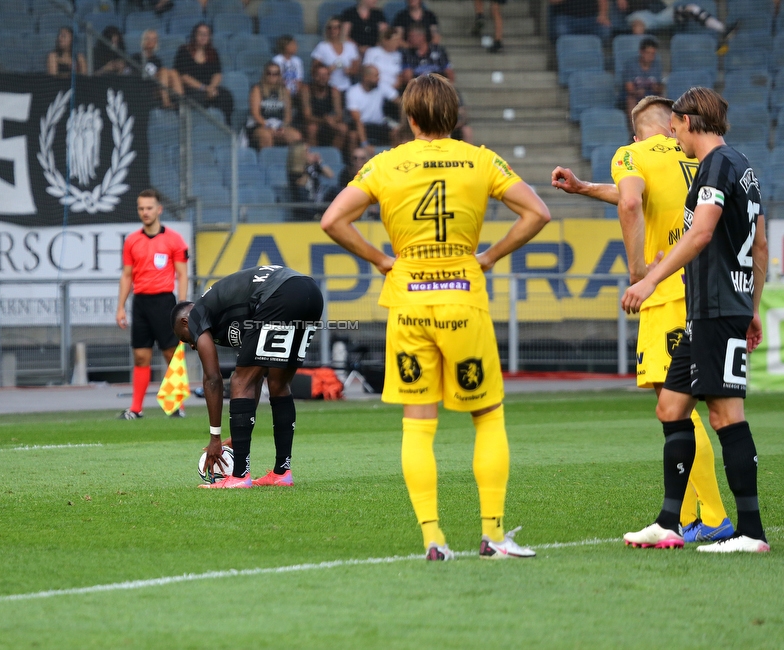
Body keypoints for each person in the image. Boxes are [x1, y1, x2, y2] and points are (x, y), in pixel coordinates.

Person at [321, 73, 551, 560]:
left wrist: (382, 261)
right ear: (455, 115)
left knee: (417, 423)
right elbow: (537, 213)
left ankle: (433, 537)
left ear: (409, 119)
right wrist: (489, 257)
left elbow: (332, 220)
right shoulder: (481, 160)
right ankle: (492, 533)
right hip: (463, 298)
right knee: (487, 416)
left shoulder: (385, 164)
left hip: (408, 302)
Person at [550, 95, 734, 544]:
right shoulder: (700, 155)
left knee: (677, 408)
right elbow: (638, 193)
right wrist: (584, 188)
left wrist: (638, 272)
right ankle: (692, 516)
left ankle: (711, 517)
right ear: (671, 126)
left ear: (637, 135)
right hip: (706, 286)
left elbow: (631, 202)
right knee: (694, 407)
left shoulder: (631, 155)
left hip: (667, 290)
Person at [620, 87, 769, 553]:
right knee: (671, 407)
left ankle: (750, 532)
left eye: (675, 126)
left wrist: (648, 279)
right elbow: (760, 245)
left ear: (689, 122)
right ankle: (668, 522)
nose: (672, 134)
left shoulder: (716, 166)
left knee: (726, 416)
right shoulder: (741, 168)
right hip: (719, 309)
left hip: (714, 308)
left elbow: (702, 233)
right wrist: (754, 307)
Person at [171, 265, 324, 488]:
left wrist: (216, 438)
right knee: (279, 383)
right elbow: (257, 374)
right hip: (310, 293)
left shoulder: (195, 315)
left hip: (283, 293)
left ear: (185, 323)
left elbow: (212, 378)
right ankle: (282, 473)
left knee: (238, 380)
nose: (192, 345)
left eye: (185, 339)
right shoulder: (229, 316)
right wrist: (240, 430)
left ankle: (240, 476)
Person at [116, 189, 189, 420]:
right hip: (141, 303)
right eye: (141, 208)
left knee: (171, 353)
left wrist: (183, 306)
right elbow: (127, 276)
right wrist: (120, 307)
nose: (145, 212)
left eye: (149, 208)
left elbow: (182, 274)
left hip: (165, 302)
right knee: (140, 356)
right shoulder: (132, 240)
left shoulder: (174, 239)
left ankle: (176, 404)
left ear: (159, 209)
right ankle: (136, 408)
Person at [174, 22, 234, 125]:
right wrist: (204, 88)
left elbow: (217, 74)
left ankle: (226, 128)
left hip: (209, 88)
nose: (203, 37)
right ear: (194, 35)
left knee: (226, 96)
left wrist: (211, 87)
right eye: (200, 34)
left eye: (206, 34)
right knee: (197, 99)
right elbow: (183, 77)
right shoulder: (184, 51)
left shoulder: (213, 53)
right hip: (191, 89)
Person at [625, 1, 737, 53]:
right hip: (639, 14)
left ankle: (723, 29)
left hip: (661, 13)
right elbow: (622, 6)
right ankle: (638, 56)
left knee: (692, 9)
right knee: (638, 24)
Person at [247, 61, 303, 149]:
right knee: (266, 136)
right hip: (260, 125)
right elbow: (255, 114)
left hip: (279, 125)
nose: (272, 76)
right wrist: (269, 126)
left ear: (279, 75)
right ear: (265, 74)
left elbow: (288, 115)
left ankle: (291, 161)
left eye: (275, 74)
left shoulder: (284, 91)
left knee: (296, 136)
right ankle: (268, 162)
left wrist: (282, 127)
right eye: (269, 73)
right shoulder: (257, 89)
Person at [299, 62, 352, 155]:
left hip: (328, 122)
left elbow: (339, 115)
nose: (323, 78)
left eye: (325, 75)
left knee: (343, 128)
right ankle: (313, 157)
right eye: (319, 75)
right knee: (312, 128)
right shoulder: (306, 90)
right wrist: (324, 120)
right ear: (313, 76)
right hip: (312, 122)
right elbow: (307, 116)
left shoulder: (334, 91)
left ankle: (333, 156)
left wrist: (331, 120)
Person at [346, 64, 402, 148]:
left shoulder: (381, 86)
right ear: (366, 77)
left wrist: (402, 124)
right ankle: (353, 160)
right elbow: (357, 120)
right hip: (362, 125)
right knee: (353, 136)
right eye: (376, 76)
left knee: (396, 133)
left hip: (378, 125)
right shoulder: (353, 92)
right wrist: (365, 144)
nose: (378, 78)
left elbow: (401, 103)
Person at [132, 29, 184, 110]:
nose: (151, 41)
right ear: (143, 40)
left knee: (173, 72)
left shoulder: (157, 60)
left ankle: (182, 103)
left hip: (156, 88)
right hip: (143, 89)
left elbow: (162, 80)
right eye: (148, 38)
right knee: (163, 71)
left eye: (154, 39)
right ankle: (166, 103)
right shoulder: (135, 57)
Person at [311, 17, 360, 94]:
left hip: (346, 87)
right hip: (328, 88)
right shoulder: (322, 46)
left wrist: (349, 71)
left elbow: (356, 70)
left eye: (335, 28)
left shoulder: (350, 46)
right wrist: (327, 70)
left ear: (341, 29)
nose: (332, 30)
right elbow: (314, 70)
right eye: (329, 28)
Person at [621, 36, 662, 115]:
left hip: (649, 94)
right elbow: (629, 88)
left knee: (662, 99)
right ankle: (633, 127)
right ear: (641, 52)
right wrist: (637, 92)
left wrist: (657, 88)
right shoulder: (630, 65)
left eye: (653, 54)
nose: (650, 56)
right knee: (631, 100)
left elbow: (659, 86)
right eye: (648, 53)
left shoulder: (657, 65)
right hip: (633, 95)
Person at [362, 27, 404, 94]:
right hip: (375, 88)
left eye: (398, 40)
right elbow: (366, 73)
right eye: (395, 40)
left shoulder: (398, 55)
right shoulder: (372, 52)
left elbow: (399, 75)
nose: (398, 43)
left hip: (393, 89)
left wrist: (397, 84)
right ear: (385, 41)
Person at [548, 0, 612, 44]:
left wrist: (603, 15)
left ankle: (591, 56)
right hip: (566, 19)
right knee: (561, 31)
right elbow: (553, 1)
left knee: (604, 31)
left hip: (591, 19)